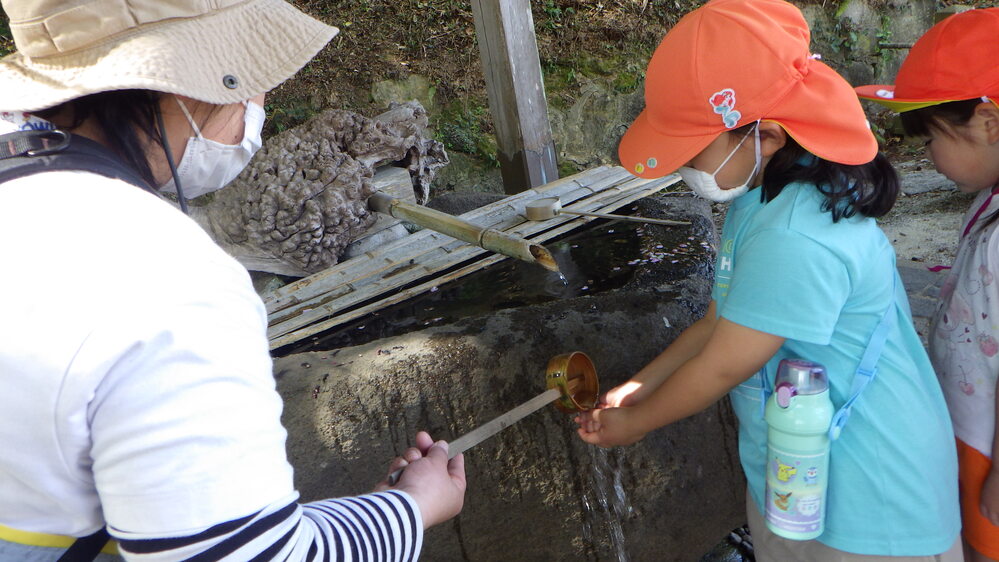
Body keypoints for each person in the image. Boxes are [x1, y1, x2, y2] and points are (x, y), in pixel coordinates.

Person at [0, 1, 464, 560]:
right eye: (253, 78)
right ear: (183, 90)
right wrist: (410, 509)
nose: (257, 104)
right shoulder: (162, 279)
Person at [575, 0, 961, 560]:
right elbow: (716, 323)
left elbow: (725, 362)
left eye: (693, 144)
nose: (682, 162)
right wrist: (642, 386)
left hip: (873, 499)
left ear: (770, 135)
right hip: (801, 476)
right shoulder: (764, 197)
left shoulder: (795, 236)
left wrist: (638, 423)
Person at [857, 8, 999, 562]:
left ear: (988, 122)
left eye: (931, 136)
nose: (928, 156)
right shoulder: (987, 203)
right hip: (971, 432)